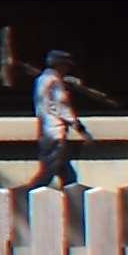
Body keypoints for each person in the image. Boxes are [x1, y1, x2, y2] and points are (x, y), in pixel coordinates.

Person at [28, 48, 95, 189]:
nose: (67, 68)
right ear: (60, 65)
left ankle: (72, 194)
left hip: (45, 130)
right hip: (55, 131)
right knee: (48, 171)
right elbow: (62, 106)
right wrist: (78, 126)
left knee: (67, 173)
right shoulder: (55, 83)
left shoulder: (41, 80)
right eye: (66, 65)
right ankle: (28, 194)